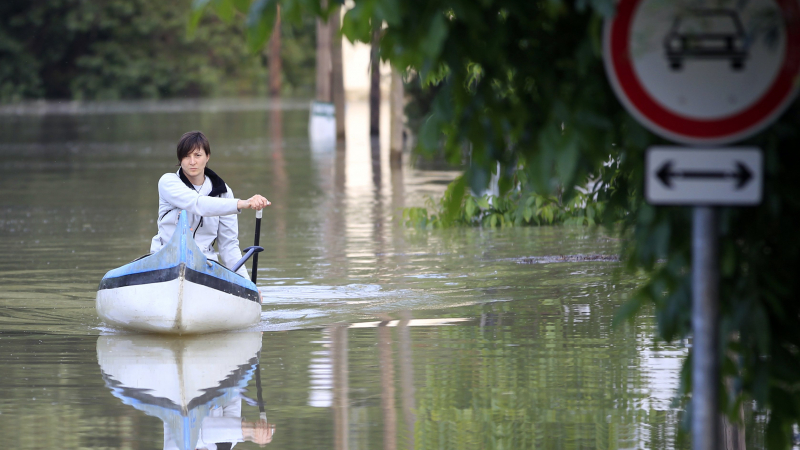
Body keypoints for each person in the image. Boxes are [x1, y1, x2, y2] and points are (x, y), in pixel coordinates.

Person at [150, 131, 269, 278]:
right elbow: (198, 203)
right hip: (163, 262)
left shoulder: (224, 193)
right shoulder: (168, 182)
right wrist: (243, 203)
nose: (192, 161)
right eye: (186, 156)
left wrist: (247, 285)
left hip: (205, 268)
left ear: (207, 157)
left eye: (197, 155)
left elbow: (228, 247)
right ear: (180, 159)